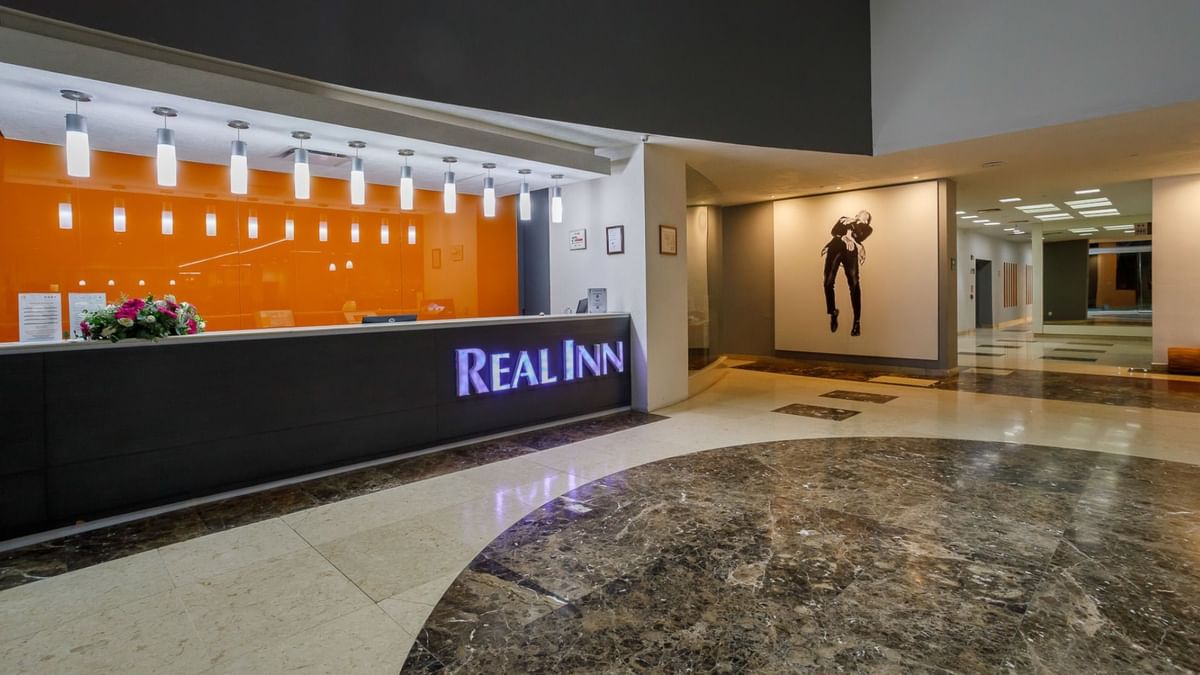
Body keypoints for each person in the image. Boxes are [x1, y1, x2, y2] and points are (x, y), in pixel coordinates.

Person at [821, 210, 873, 336]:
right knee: (828, 282)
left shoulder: (867, 228)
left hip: (850, 253)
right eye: (861, 213)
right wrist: (844, 237)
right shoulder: (844, 218)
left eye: (865, 216)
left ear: (866, 221)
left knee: (854, 284)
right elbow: (834, 231)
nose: (861, 214)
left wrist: (854, 223)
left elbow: (859, 236)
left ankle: (856, 322)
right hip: (836, 249)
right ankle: (833, 312)